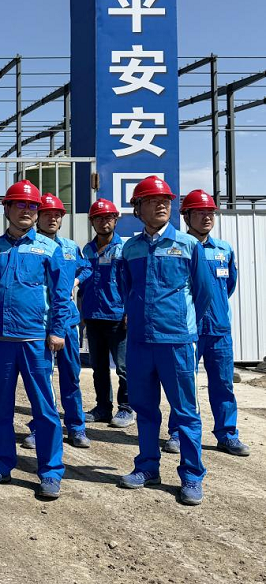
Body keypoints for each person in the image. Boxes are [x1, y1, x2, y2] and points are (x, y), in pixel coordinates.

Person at [0, 180, 72, 500]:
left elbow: (61, 295)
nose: (26, 211)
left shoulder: (49, 249)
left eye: (32, 206)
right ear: (7, 209)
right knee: (0, 407)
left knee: (44, 408)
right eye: (20, 205)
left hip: (35, 339)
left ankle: (50, 471)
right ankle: (0, 464)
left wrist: (57, 330)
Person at [116, 176, 215, 506]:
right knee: (145, 409)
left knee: (185, 413)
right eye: (151, 200)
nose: (161, 204)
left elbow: (203, 294)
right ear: (137, 208)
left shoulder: (188, 245)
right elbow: (126, 289)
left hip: (176, 342)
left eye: (165, 200)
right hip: (140, 342)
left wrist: (182, 324)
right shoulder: (130, 249)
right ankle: (147, 467)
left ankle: (191, 475)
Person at [164, 189, 249, 457]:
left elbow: (228, 285)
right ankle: (179, 433)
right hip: (187, 330)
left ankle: (227, 434)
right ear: (186, 216)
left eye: (210, 212)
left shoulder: (224, 249)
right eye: (200, 212)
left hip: (219, 330)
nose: (207, 217)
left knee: (223, 384)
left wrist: (215, 310)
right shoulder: (177, 248)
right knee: (185, 384)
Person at [22, 193, 92, 450]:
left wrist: (76, 280)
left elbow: (87, 267)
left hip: (68, 323)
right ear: (37, 217)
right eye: (47, 214)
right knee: (43, 379)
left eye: (57, 215)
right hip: (40, 324)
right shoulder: (28, 247)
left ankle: (76, 427)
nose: (52, 219)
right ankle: (41, 427)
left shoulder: (71, 247)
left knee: (71, 377)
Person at [80, 198, 134, 429]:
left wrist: (129, 311)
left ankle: (127, 408)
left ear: (116, 220)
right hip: (93, 316)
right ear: (92, 221)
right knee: (99, 367)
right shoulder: (87, 250)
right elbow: (83, 284)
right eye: (99, 218)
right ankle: (103, 407)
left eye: (109, 217)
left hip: (117, 317)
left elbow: (132, 283)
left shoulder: (124, 249)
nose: (104, 222)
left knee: (124, 367)